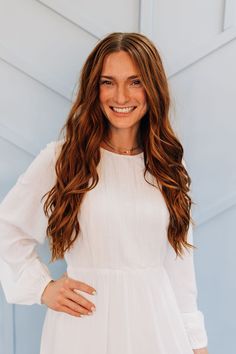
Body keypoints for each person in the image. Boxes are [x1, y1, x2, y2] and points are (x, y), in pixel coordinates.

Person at [0, 32, 209, 354]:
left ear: (152, 88)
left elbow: (180, 270)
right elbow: (7, 228)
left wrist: (197, 344)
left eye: (135, 81)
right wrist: (41, 287)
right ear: (93, 89)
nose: (121, 96)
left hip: (157, 327)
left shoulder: (168, 167)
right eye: (107, 82)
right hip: (84, 326)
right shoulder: (62, 160)